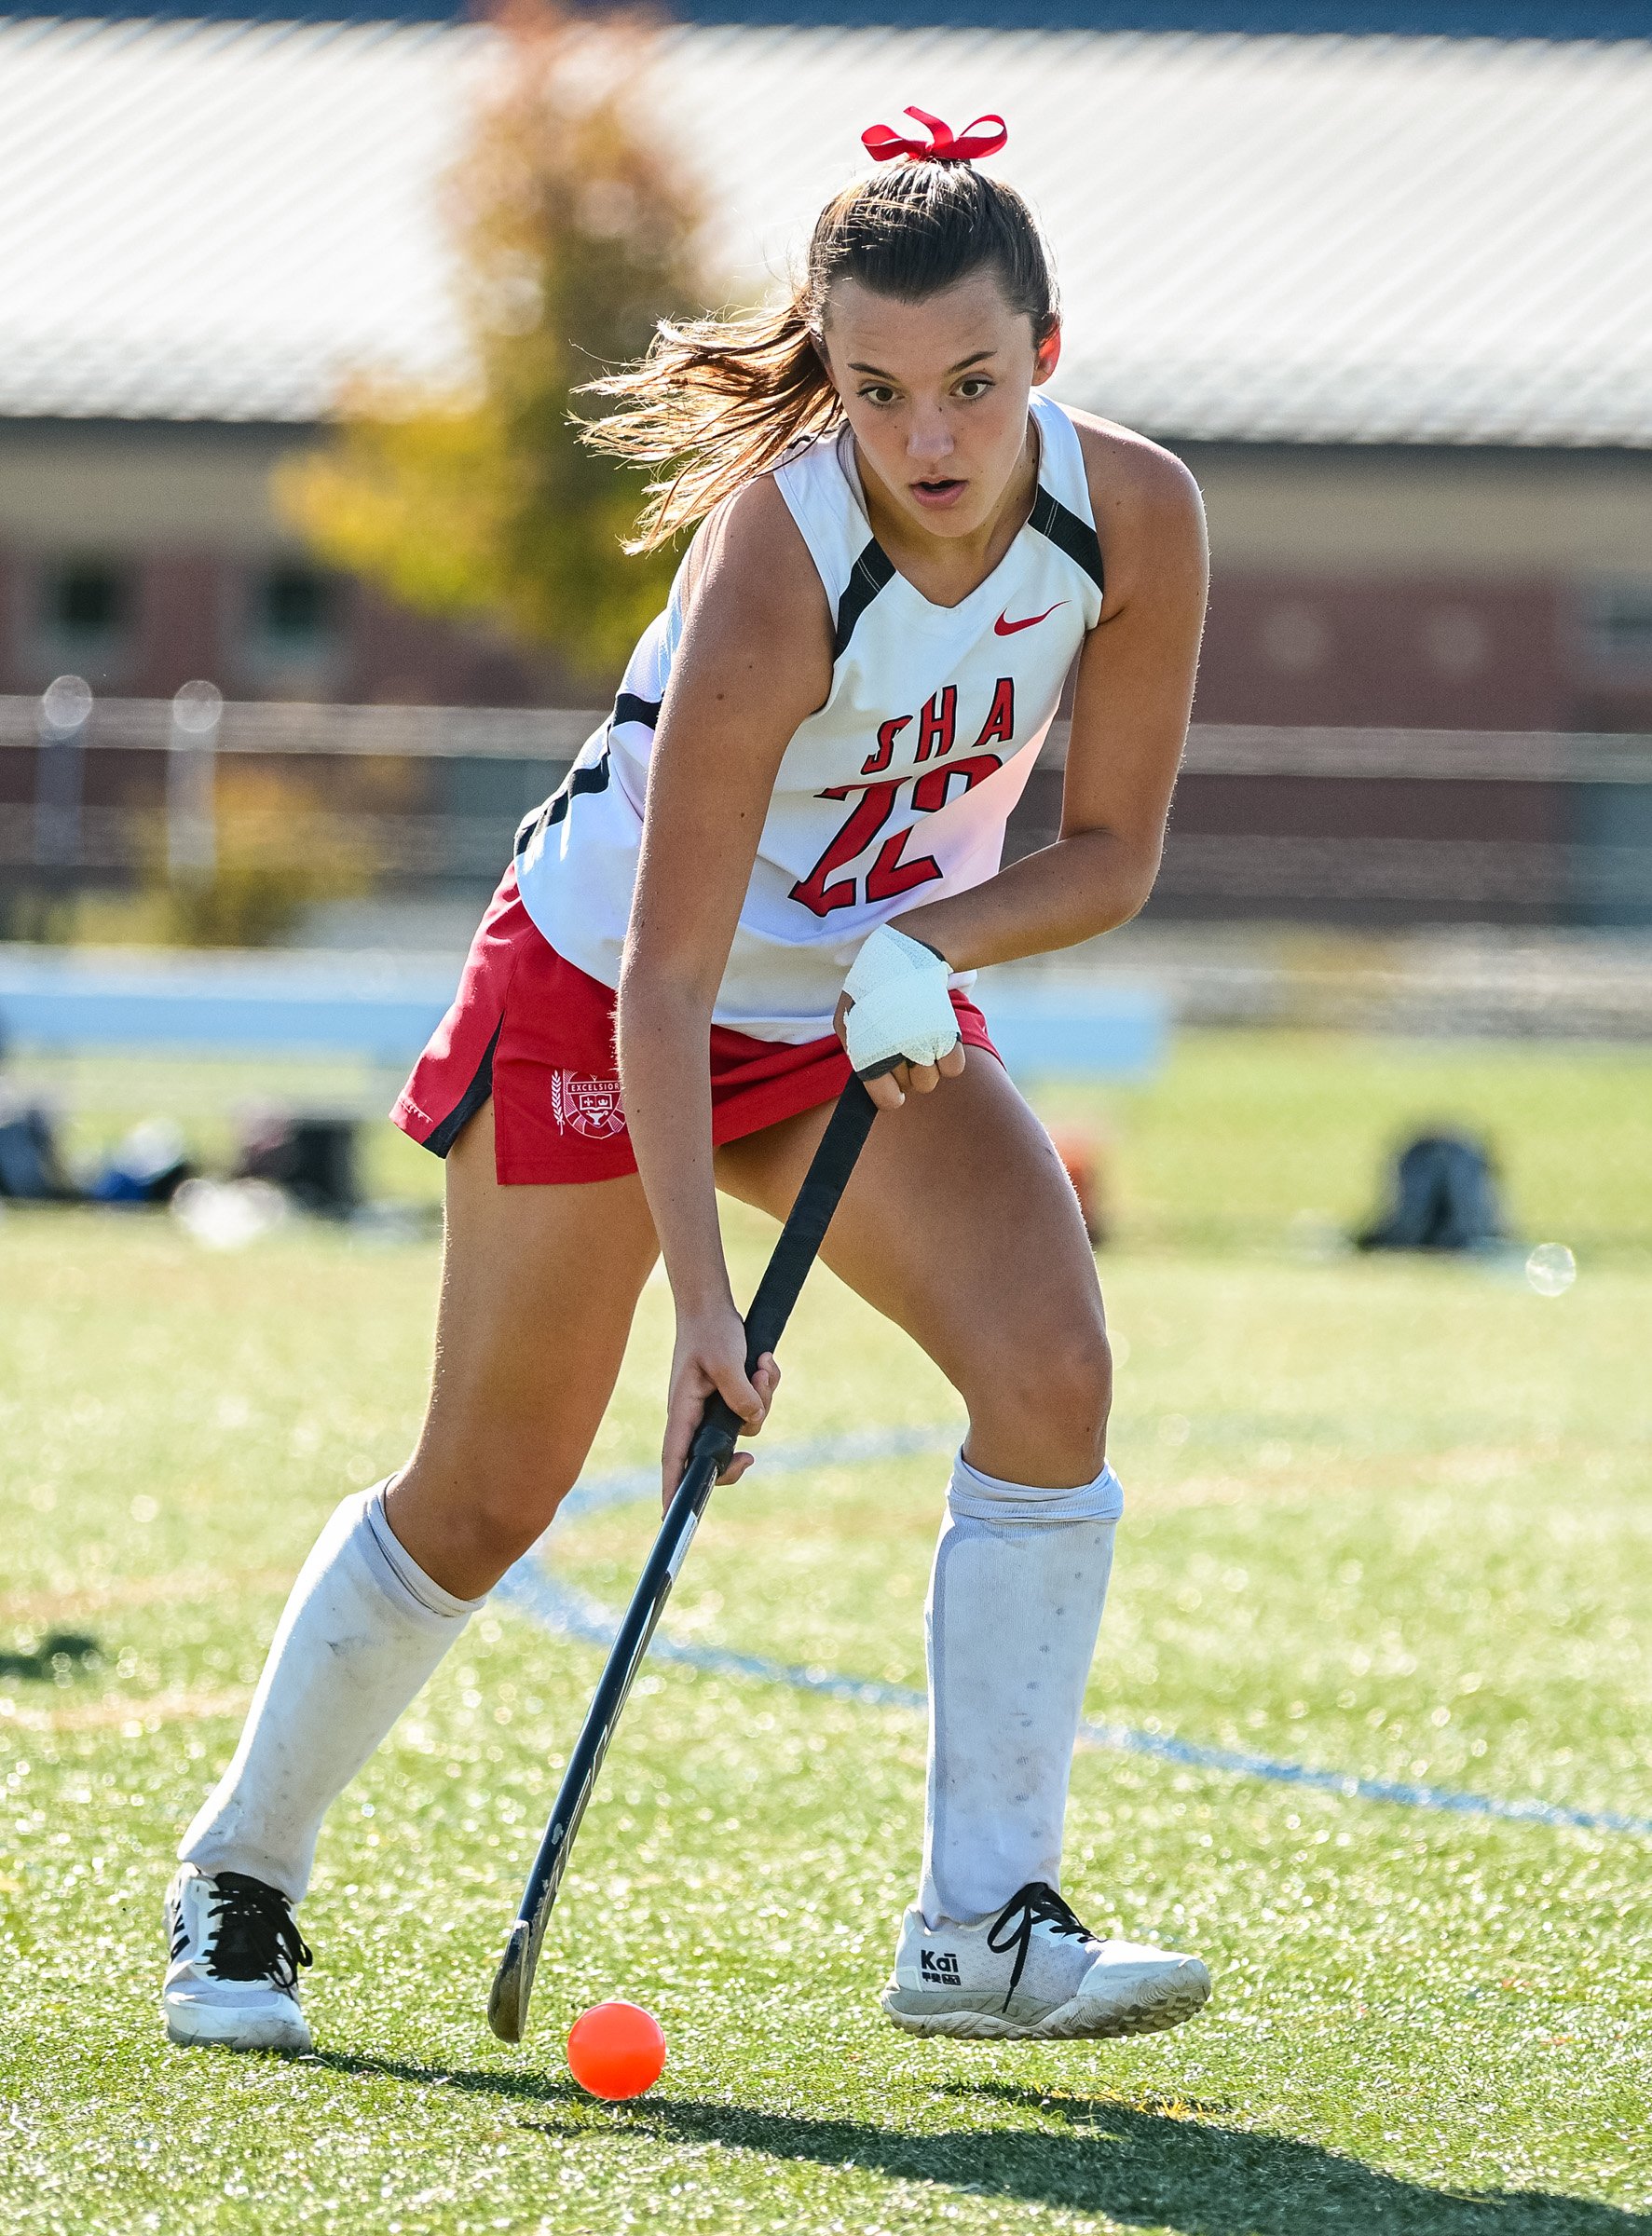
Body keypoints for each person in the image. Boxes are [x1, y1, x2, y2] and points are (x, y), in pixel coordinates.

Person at [163, 107, 1211, 2054]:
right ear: (828, 375)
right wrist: (704, 1316)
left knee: (1052, 1372)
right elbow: (662, 976)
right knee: (490, 1492)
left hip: (857, 1005)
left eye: (973, 384)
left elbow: (1112, 853)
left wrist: (928, 947)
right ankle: (239, 1879)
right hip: (606, 986)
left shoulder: (1132, 517)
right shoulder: (775, 561)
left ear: (1044, 356)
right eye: (877, 390)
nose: (928, 439)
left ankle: (982, 1927)